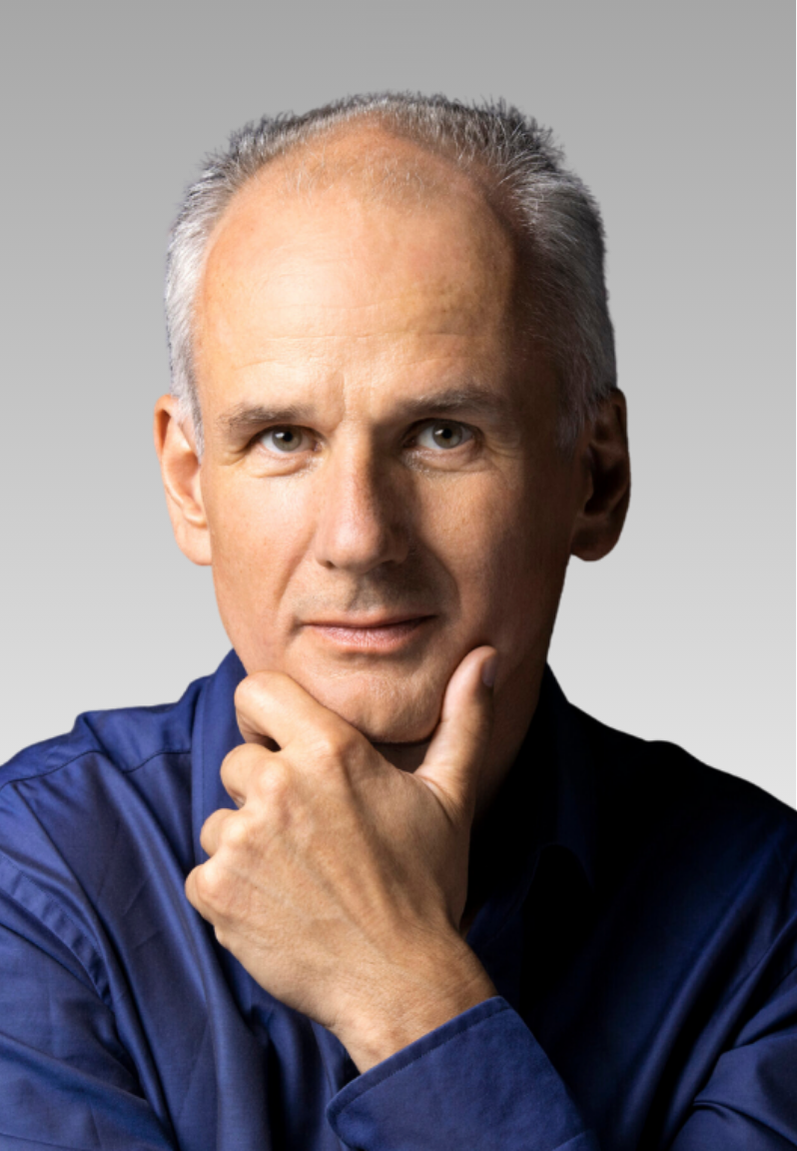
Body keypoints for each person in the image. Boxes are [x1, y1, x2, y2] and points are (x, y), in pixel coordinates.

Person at [0, 93, 794, 1150]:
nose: (358, 537)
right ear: (190, 482)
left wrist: (401, 990)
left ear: (593, 476)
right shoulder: (38, 880)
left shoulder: (764, 919)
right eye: (284, 435)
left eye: (440, 432)